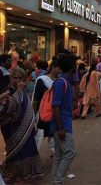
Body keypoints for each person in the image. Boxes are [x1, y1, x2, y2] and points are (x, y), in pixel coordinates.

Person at [1, 68, 44, 183]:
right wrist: (18, 92)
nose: (18, 81)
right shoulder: (7, 92)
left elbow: (28, 107)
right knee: (15, 153)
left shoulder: (23, 91)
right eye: (15, 78)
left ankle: (27, 175)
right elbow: (10, 110)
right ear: (10, 79)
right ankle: (14, 176)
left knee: (28, 150)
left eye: (21, 78)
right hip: (11, 129)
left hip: (27, 128)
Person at [51, 52, 77, 184]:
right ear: (72, 67)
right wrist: (61, 127)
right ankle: (58, 180)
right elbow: (56, 106)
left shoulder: (63, 81)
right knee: (70, 153)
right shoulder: (61, 83)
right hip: (62, 125)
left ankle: (55, 180)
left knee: (59, 154)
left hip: (61, 124)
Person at [32, 58, 61, 154]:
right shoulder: (42, 80)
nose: (60, 71)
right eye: (59, 68)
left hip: (54, 115)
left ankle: (55, 158)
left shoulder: (59, 81)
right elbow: (36, 100)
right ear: (53, 67)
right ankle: (33, 160)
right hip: (42, 115)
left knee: (53, 138)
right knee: (38, 138)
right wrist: (32, 117)